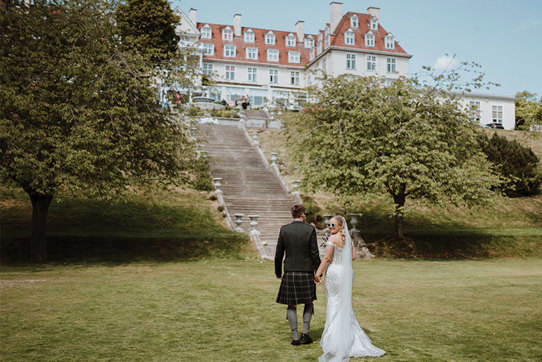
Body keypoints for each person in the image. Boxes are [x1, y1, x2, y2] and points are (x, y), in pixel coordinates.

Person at [314, 216, 385, 361]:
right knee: (342, 303)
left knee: (334, 302)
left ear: (340, 225)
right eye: (329, 224)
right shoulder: (347, 239)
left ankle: (335, 341)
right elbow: (352, 257)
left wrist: (317, 274)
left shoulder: (333, 239)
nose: (330, 226)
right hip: (344, 273)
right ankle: (350, 339)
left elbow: (327, 259)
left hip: (334, 273)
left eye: (332, 224)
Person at [275, 204, 321, 346]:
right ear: (302, 215)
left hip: (290, 272)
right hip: (306, 272)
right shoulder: (310, 229)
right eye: (305, 214)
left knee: (291, 304)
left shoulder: (284, 229)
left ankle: (295, 337)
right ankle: (305, 334)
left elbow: (279, 253)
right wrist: (318, 272)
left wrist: (278, 272)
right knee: (308, 301)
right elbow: (314, 253)